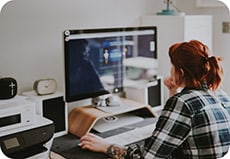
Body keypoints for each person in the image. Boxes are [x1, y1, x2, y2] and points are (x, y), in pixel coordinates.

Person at [79, 40, 230, 159]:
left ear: (180, 72)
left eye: (172, 66)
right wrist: (173, 92)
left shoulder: (183, 102)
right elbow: (179, 130)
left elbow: (148, 157)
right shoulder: (220, 94)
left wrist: (107, 147)